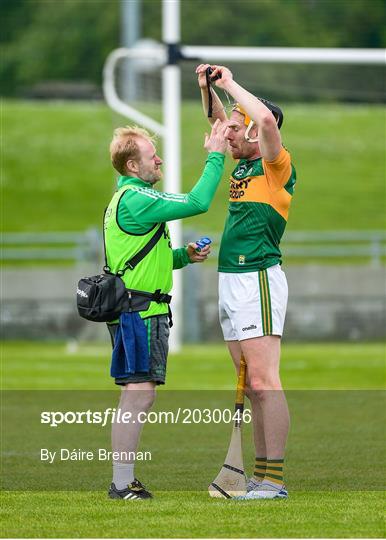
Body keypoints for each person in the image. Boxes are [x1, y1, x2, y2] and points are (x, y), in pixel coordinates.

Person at [105, 120, 228, 500]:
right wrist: (216, 155)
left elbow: (143, 261)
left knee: (138, 392)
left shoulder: (128, 200)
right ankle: (122, 484)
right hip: (138, 313)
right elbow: (198, 202)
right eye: (150, 156)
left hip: (136, 309)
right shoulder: (138, 199)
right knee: (138, 393)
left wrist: (184, 257)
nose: (158, 160)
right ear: (132, 166)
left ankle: (123, 481)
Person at [196, 64, 297, 500]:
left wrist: (229, 82)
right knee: (251, 386)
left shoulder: (276, 165)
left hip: (257, 276)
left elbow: (268, 120)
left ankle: (273, 481)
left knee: (264, 381)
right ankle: (260, 476)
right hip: (230, 279)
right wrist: (206, 90)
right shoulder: (241, 165)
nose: (229, 134)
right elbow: (218, 121)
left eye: (239, 128)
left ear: (257, 133)